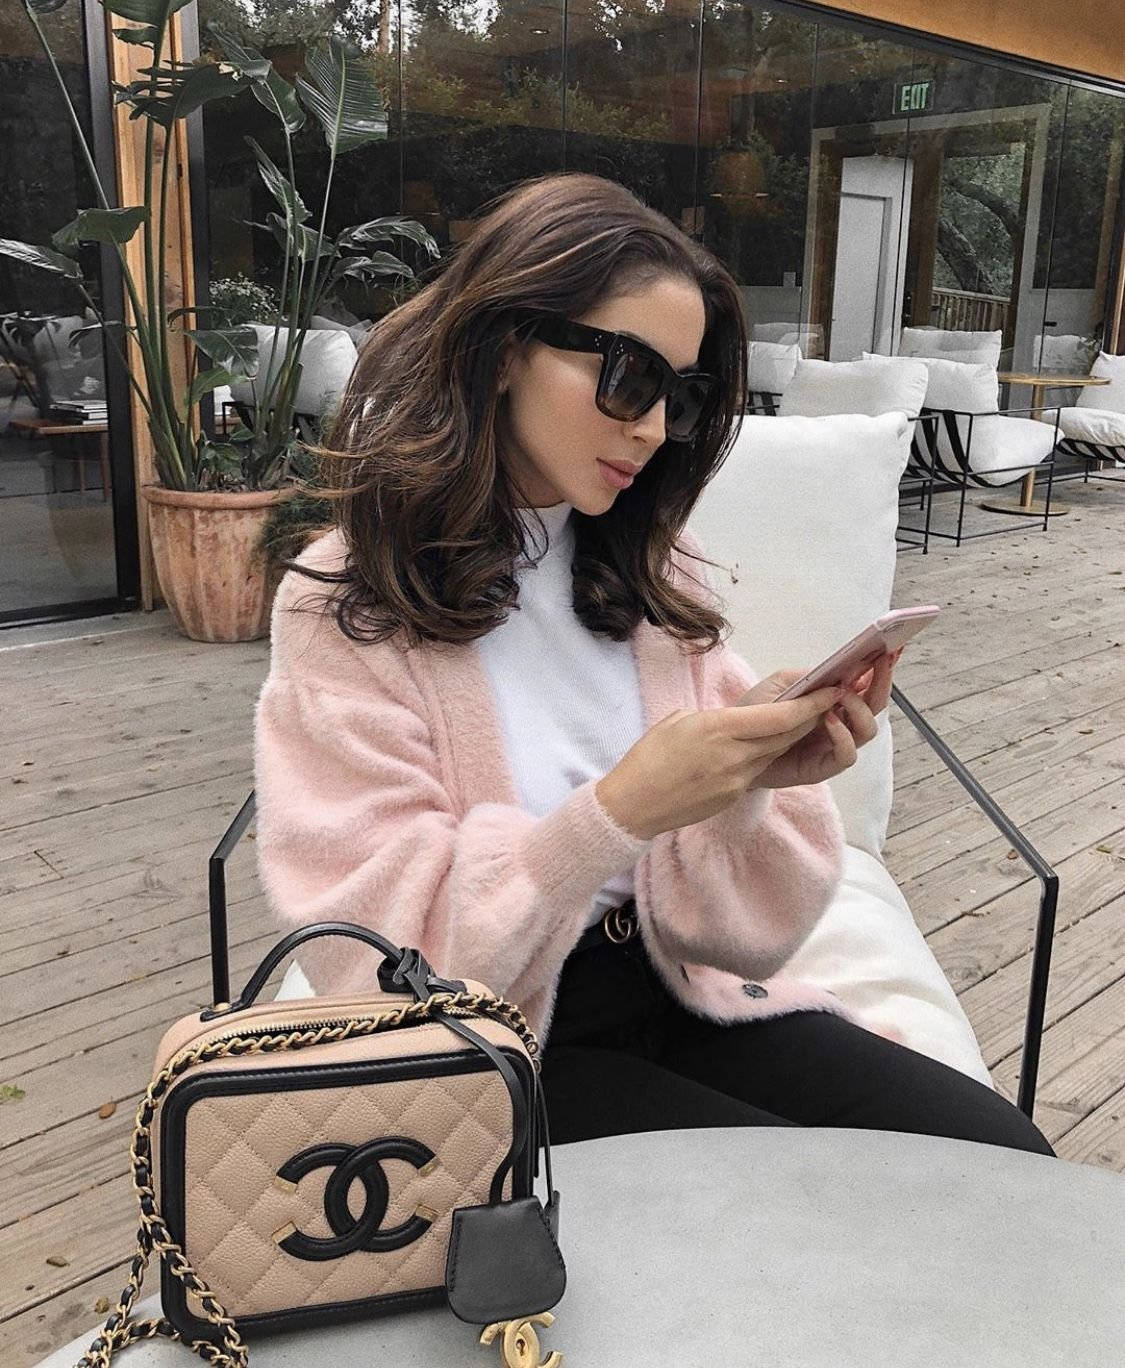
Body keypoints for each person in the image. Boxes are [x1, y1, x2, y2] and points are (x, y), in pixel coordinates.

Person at [254, 172, 1051, 1157]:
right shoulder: (352, 600)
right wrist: (618, 812)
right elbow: (373, 956)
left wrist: (754, 777)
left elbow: (741, 933)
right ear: (506, 344)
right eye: (630, 377)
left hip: (679, 988)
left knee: (1000, 1159)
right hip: (503, 1051)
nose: (655, 428)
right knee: (823, 1219)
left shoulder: (644, 571)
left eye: (682, 395)